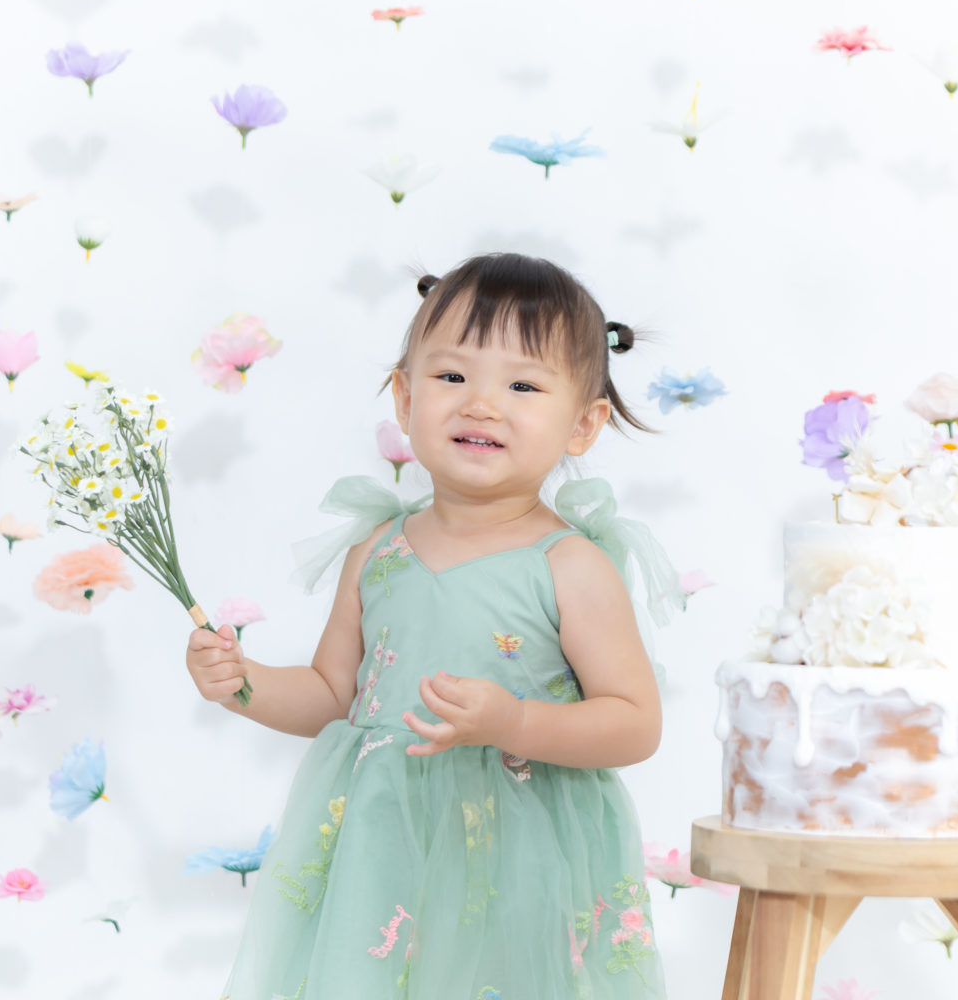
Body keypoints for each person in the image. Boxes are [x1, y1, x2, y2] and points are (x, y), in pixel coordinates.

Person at [186, 252, 683, 999]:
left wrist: (515, 721)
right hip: (386, 850)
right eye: (452, 376)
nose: (481, 404)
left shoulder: (569, 565)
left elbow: (634, 723)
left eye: (522, 386)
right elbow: (333, 696)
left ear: (583, 424)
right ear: (405, 395)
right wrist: (242, 684)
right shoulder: (376, 553)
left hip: (520, 855)